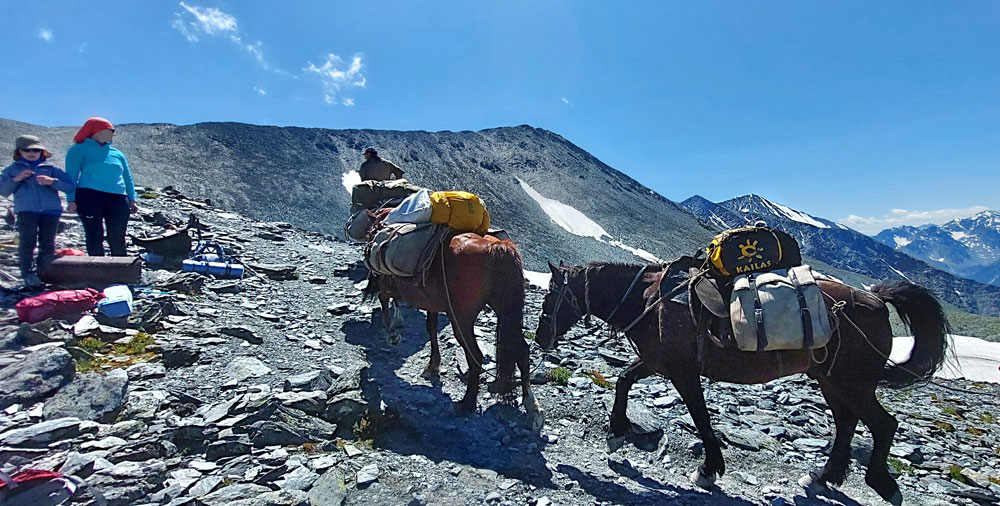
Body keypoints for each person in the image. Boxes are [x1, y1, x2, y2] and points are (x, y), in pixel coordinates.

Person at [0, 135, 74, 288]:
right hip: (26, 211)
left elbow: (70, 186)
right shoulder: (12, 169)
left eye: (36, 150)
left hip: (51, 211)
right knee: (27, 242)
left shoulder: (51, 168)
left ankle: (44, 272)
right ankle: (28, 274)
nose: (32, 153)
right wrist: (16, 179)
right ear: (19, 151)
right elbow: (3, 191)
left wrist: (52, 182)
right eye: (27, 150)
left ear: (42, 152)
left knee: (48, 242)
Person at [65, 117, 138, 256]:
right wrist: (71, 199)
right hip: (89, 196)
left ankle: (120, 267)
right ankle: (97, 267)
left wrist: (132, 198)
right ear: (99, 131)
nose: (114, 134)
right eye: (111, 131)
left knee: (117, 236)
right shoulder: (78, 150)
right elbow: (71, 176)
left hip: (118, 198)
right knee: (94, 235)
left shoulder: (118, 154)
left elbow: (127, 177)